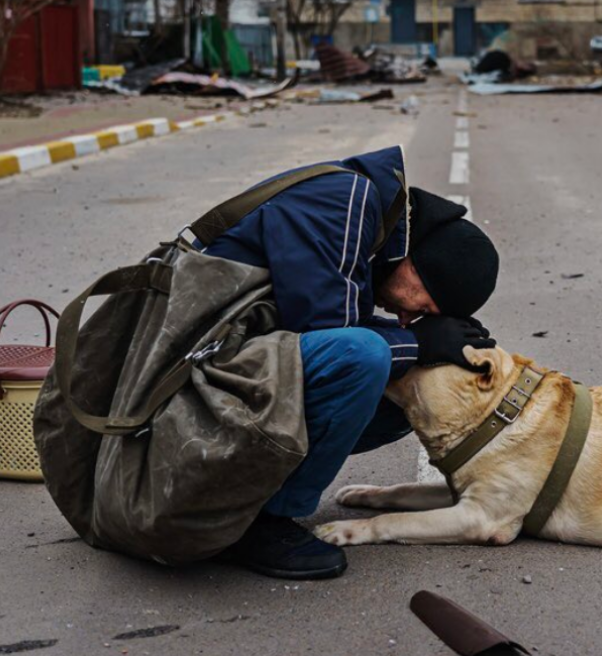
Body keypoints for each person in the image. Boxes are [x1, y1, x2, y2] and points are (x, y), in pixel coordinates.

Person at [200, 146, 500, 580]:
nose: (405, 316)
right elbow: (330, 338)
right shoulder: (345, 202)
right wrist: (416, 341)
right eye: (422, 305)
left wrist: (420, 348)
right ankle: (261, 525)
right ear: (417, 265)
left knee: (406, 379)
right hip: (188, 370)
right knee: (369, 356)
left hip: (227, 361)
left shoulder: (367, 221)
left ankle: (247, 490)